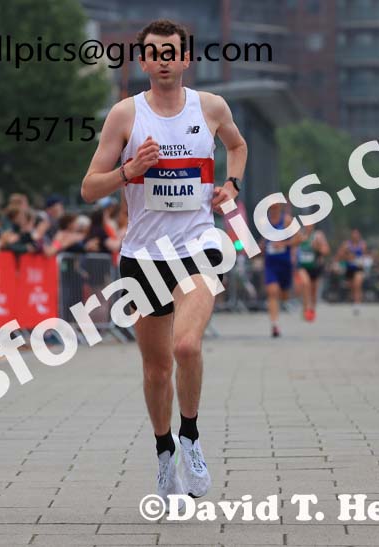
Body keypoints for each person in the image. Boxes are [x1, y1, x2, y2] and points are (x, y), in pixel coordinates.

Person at [80, 19, 247, 502]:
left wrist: (231, 185)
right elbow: (90, 186)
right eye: (154, 53)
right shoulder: (125, 115)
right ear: (143, 61)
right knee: (156, 370)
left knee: (187, 346)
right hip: (143, 257)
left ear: (186, 58)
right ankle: (164, 452)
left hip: (198, 247)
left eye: (171, 52)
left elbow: (237, 145)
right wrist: (129, 171)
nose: (163, 60)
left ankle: (191, 436)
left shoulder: (210, 107)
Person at [261, 203, 295, 337]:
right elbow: (265, 241)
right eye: (271, 207)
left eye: (276, 207)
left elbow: (298, 238)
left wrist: (284, 244)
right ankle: (274, 325)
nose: (273, 210)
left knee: (284, 293)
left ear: (280, 207)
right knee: (272, 291)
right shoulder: (265, 223)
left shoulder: (286, 220)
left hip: (285, 263)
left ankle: (285, 302)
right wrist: (261, 247)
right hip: (271, 263)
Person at [295, 223, 330, 322]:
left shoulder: (318, 236)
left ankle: (312, 310)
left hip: (315, 267)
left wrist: (318, 248)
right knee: (305, 283)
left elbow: (326, 250)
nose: (308, 226)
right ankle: (305, 308)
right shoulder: (299, 235)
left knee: (314, 291)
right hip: (302, 266)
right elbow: (293, 248)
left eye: (310, 225)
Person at [336, 228, 367, 314]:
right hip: (349, 268)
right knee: (352, 287)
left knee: (357, 284)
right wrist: (347, 255)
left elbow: (364, 256)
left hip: (358, 268)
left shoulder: (362, 244)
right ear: (351, 235)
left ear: (359, 235)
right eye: (354, 234)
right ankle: (355, 299)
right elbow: (339, 256)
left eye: (357, 234)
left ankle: (357, 304)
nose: (355, 236)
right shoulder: (346, 244)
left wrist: (360, 260)